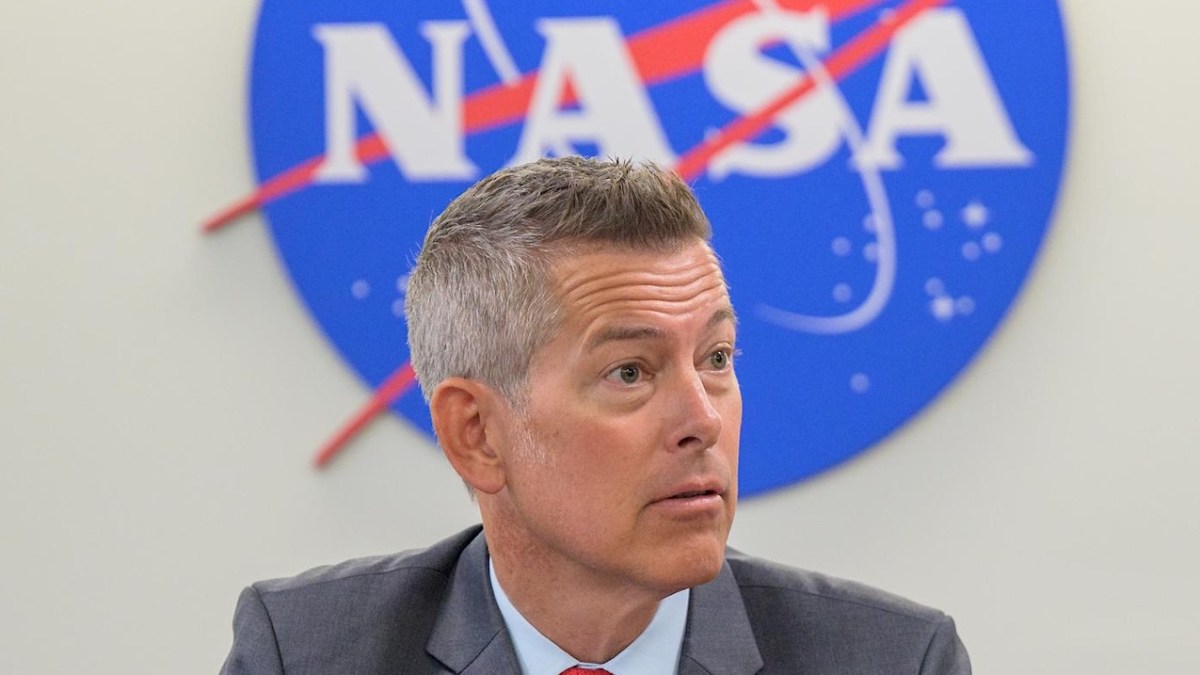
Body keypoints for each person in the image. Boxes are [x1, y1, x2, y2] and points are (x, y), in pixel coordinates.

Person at [220, 157, 971, 674]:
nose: (702, 420)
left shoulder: (893, 658)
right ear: (475, 433)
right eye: (630, 372)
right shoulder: (308, 652)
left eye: (717, 358)